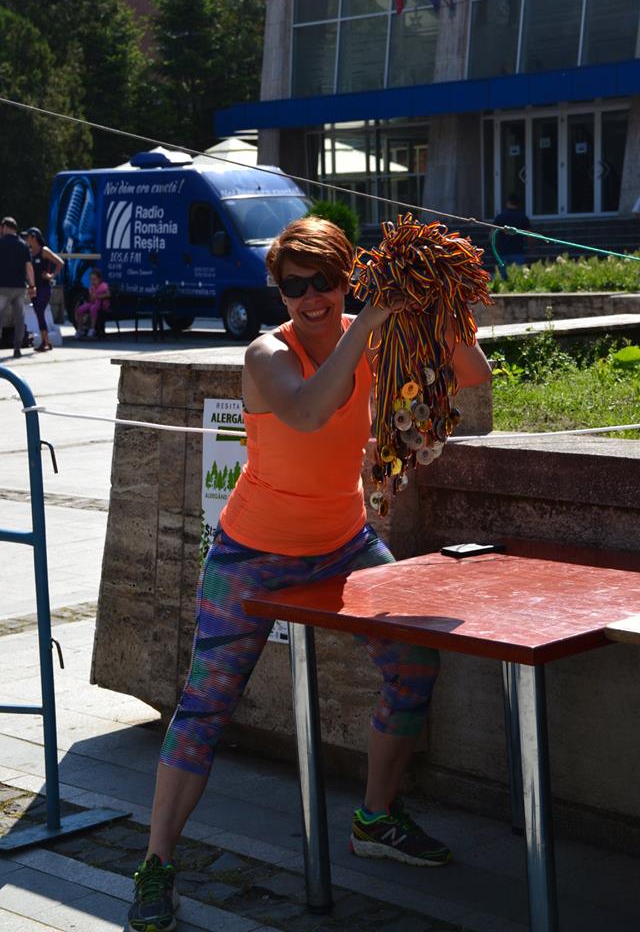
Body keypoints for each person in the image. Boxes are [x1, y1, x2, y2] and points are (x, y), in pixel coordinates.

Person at [127, 217, 492, 932]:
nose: (312, 298)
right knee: (204, 709)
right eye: (295, 286)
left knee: (415, 663)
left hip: (343, 543)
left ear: (348, 277)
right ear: (279, 291)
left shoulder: (373, 330)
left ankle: (375, 819)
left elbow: (472, 372)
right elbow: (308, 410)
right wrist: (373, 321)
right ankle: (156, 864)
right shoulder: (267, 352)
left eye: (325, 281)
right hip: (250, 555)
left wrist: (436, 294)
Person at [0, 216, 35, 359]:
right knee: (19, 318)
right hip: (20, 288)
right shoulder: (24, 245)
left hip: (2, 287)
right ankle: (17, 348)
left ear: (5, 227)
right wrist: (32, 285)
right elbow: (29, 268)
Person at [25, 227, 64, 353]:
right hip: (34, 288)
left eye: (28, 237)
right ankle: (46, 341)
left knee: (40, 311)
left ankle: (45, 342)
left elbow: (60, 263)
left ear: (34, 237)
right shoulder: (29, 252)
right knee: (38, 313)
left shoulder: (44, 251)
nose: (26, 239)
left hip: (44, 287)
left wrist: (51, 275)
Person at [492, 193, 533, 280]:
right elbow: (529, 235)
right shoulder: (523, 217)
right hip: (518, 252)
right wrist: (531, 247)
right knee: (518, 278)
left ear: (508, 202)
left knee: (503, 279)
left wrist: (494, 247)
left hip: (503, 252)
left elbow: (492, 234)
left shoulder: (500, 217)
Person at [74, 268, 110, 338]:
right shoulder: (92, 287)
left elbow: (108, 294)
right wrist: (91, 295)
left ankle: (92, 329)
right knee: (80, 309)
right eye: (91, 280)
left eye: (94, 279)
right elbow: (91, 299)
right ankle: (80, 329)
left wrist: (99, 296)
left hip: (102, 304)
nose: (92, 281)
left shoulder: (103, 285)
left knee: (93, 309)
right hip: (93, 303)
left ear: (99, 279)